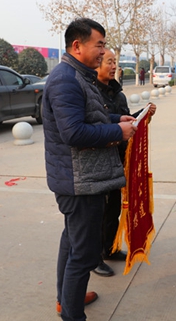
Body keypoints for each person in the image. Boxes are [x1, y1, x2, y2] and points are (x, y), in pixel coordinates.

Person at [42, 18, 137, 321]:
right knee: (83, 254)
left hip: (82, 178)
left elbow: (91, 118)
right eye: (99, 45)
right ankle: (72, 314)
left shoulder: (80, 76)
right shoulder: (66, 80)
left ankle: (67, 299)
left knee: (72, 242)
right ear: (77, 46)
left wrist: (117, 120)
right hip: (79, 181)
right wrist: (117, 133)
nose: (104, 51)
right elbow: (74, 133)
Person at [93, 49, 156, 277]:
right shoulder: (91, 94)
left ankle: (109, 248)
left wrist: (143, 114)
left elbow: (126, 121)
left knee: (114, 208)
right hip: (99, 161)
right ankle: (95, 257)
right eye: (109, 62)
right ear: (97, 65)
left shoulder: (118, 95)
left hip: (118, 160)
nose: (114, 66)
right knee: (98, 212)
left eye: (114, 62)